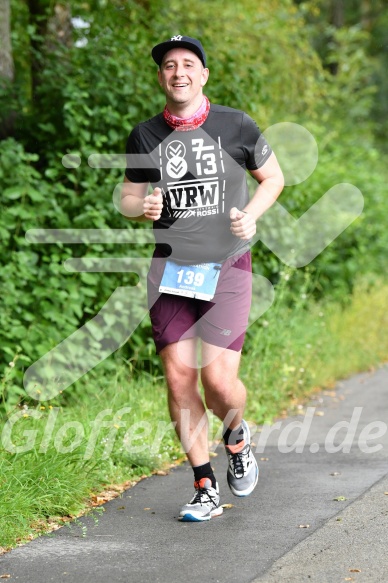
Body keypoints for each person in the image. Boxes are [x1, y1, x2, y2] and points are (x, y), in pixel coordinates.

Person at [121, 35, 284, 522]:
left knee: (218, 382)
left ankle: (236, 435)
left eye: (188, 64)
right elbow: (129, 197)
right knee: (178, 378)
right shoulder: (145, 135)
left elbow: (272, 177)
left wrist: (252, 215)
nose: (178, 73)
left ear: (203, 74)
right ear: (160, 77)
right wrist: (141, 207)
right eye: (169, 66)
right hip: (170, 269)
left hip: (227, 266)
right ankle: (204, 485)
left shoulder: (236, 124)